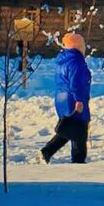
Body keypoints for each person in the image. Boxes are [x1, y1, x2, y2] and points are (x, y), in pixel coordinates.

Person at [38, 28, 92, 164]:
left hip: (62, 99)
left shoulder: (64, 60)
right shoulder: (76, 61)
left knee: (70, 128)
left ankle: (47, 151)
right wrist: (79, 100)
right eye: (82, 45)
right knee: (79, 131)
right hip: (73, 99)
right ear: (78, 46)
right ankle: (78, 162)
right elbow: (77, 83)